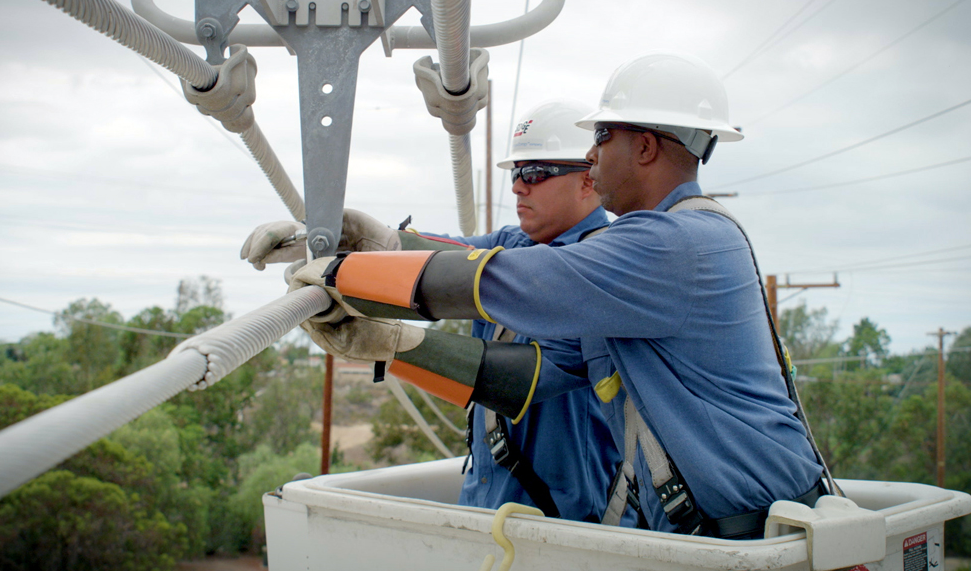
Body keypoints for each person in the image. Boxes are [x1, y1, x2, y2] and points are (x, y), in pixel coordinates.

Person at [287, 52, 832, 539]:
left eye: (601, 137)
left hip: (753, 536)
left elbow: (513, 281)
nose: (593, 156)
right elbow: (533, 372)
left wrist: (342, 276)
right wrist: (363, 252)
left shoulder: (672, 243)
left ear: (644, 146)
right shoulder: (645, 255)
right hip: (716, 531)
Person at [241, 101, 621, 523]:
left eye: (534, 173)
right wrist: (339, 241)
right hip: (485, 511)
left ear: (588, 179)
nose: (517, 187)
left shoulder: (606, 271)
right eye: (516, 174)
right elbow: (436, 261)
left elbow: (532, 376)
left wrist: (389, 345)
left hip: (566, 528)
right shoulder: (515, 245)